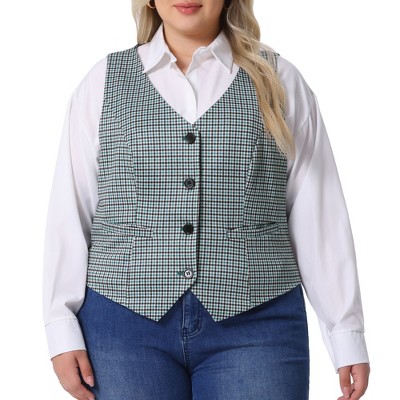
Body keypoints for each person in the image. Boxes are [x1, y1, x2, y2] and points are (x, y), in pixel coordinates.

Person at [42, 1, 370, 399]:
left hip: (258, 326)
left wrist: (345, 331)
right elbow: (70, 210)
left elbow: (318, 214)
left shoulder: (280, 80)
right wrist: (60, 327)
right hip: (122, 327)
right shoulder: (102, 82)